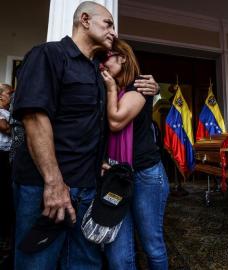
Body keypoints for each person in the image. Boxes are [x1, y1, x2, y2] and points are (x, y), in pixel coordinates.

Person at [11, 2, 158, 269]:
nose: (113, 31)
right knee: (37, 264)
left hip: (88, 189)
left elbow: (99, 122)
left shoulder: (98, 72)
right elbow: (34, 119)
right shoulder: (49, 54)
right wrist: (54, 183)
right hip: (46, 188)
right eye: (108, 24)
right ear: (86, 20)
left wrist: (151, 88)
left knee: (85, 263)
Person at [101, 39, 169, 269]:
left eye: (106, 57)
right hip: (115, 177)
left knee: (153, 246)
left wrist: (111, 89)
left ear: (123, 57)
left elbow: (116, 121)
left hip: (145, 174)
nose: (101, 64)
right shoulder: (102, 87)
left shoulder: (140, 85)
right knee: (118, 255)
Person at [0, 83, 13, 257]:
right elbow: (5, 128)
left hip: (7, 156)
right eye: (9, 93)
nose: (11, 97)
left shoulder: (8, 111)